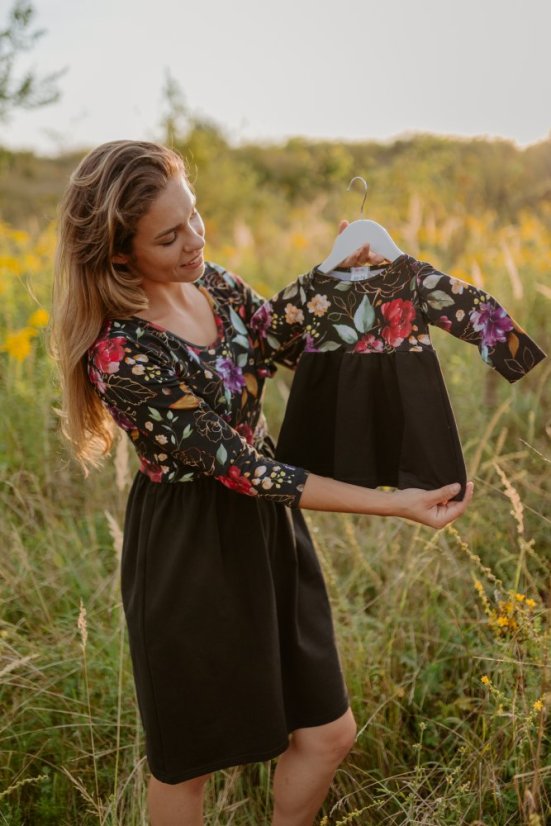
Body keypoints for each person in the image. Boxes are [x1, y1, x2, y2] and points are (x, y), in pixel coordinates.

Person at [52, 140, 473, 826]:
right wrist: (391, 505)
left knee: (327, 733)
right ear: (119, 253)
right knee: (190, 764)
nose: (193, 240)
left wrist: (341, 274)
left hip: (271, 529)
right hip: (189, 550)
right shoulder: (122, 353)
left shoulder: (212, 281)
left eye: (193, 217)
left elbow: (276, 338)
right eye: (169, 236)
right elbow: (244, 470)